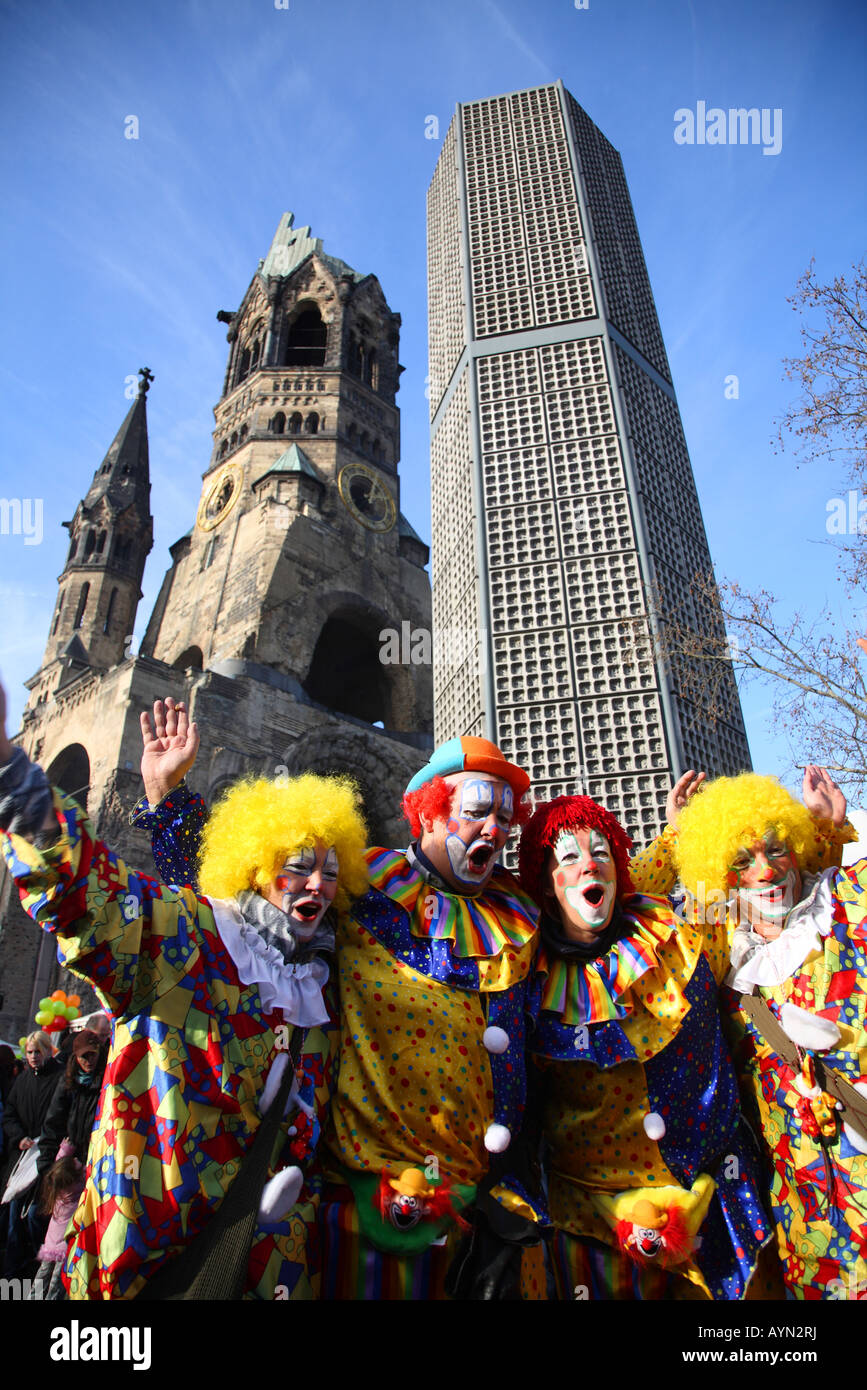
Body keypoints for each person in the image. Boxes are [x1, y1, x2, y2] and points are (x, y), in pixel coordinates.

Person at [141, 725, 547, 1298]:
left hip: (489, 1204)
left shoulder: (518, 912)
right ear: (430, 813)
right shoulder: (365, 889)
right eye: (478, 810)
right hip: (376, 1201)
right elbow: (236, 922)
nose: (496, 830)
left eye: (506, 819)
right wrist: (168, 805)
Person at [0, 682, 369, 1299]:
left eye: (331, 873)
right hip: (147, 1256)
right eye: (299, 864)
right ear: (254, 866)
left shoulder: (326, 988)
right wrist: (15, 777)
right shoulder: (191, 932)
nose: (317, 884)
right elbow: (84, 890)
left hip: (274, 1270)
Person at [518, 790, 779, 1300]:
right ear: (546, 886)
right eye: (568, 858)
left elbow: (769, 903)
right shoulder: (523, 973)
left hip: (724, 1204)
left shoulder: (677, 932)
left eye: (601, 853)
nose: (590, 866)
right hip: (600, 1230)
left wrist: (829, 842)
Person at [672, 766, 867, 1299]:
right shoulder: (719, 955)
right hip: (810, 1220)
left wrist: (833, 829)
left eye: (777, 848)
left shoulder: (850, 901)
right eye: (741, 860)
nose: (764, 870)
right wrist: (676, 835)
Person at [31, 1028, 109, 1300]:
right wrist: (47, 1170)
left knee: (72, 1247)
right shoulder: (70, 1084)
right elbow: (52, 1125)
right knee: (52, 1245)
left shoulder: (105, 1085)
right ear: (75, 1058)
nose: (88, 1060)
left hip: (89, 1175)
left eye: (92, 1055)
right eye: (83, 1056)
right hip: (64, 1176)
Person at [1, 1030, 61, 1277]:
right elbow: (10, 1113)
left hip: (48, 1159)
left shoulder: (59, 1079)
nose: (34, 1056)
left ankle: (36, 1267)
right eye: (30, 1052)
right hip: (23, 1158)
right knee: (15, 1215)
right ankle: (11, 1273)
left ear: (48, 1050)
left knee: (37, 1215)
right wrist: (19, 1138)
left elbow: (59, 1117)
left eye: (38, 1051)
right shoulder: (22, 1081)